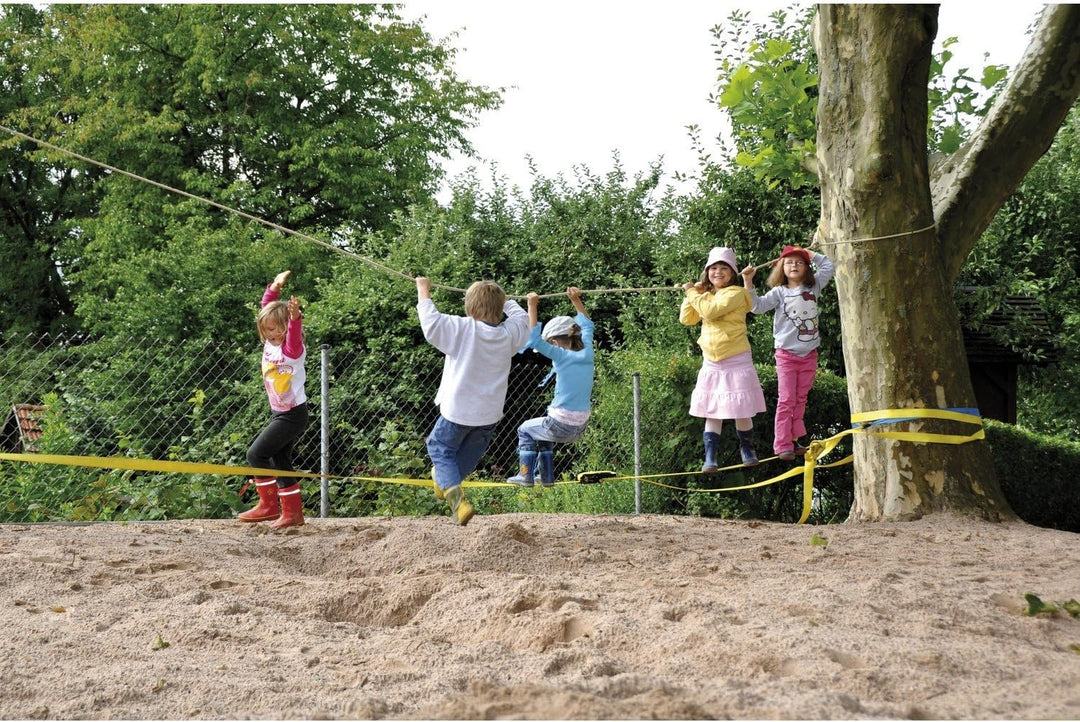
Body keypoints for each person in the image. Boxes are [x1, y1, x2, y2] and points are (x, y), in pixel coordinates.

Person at [416, 276, 530, 525]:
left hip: (458, 411)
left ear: (471, 309)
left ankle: (457, 503)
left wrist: (423, 290)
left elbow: (431, 323)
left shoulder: (464, 329)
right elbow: (522, 319)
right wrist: (506, 301)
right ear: (499, 309)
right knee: (467, 455)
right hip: (489, 416)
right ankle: (444, 480)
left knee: (439, 447)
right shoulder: (508, 335)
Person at [744, 245, 835, 461]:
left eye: (799, 262)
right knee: (786, 399)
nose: (794, 265)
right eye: (789, 262)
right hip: (786, 354)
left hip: (809, 354)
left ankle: (794, 440)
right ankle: (782, 444)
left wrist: (810, 253)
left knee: (800, 398)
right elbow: (756, 307)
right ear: (781, 267)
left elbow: (828, 266)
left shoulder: (813, 287)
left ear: (807, 267)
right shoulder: (779, 292)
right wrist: (748, 281)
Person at [680, 246, 767, 470]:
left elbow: (710, 311)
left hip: (736, 358)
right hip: (712, 360)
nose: (718, 272)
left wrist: (692, 293)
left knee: (741, 407)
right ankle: (710, 456)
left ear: (732, 273)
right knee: (713, 409)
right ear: (707, 272)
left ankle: (747, 449)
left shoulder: (735, 293)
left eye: (724, 268)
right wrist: (693, 295)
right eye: (713, 268)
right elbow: (687, 319)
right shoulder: (706, 297)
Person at [240, 269, 309, 529]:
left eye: (273, 329)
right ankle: (293, 514)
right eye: (265, 329)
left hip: (292, 415)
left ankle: (268, 506)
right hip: (279, 412)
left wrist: (295, 318)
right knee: (281, 462)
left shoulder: (292, 349)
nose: (268, 333)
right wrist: (275, 287)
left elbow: (293, 333)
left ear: (284, 328)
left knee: (256, 454)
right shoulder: (270, 343)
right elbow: (266, 307)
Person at [507, 287, 595, 487]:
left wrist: (532, 305)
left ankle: (525, 475)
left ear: (555, 342)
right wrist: (576, 300)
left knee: (525, 429)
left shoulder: (560, 355)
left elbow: (533, 339)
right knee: (541, 433)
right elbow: (587, 324)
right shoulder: (588, 351)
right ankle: (545, 477)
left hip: (560, 423)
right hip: (580, 427)